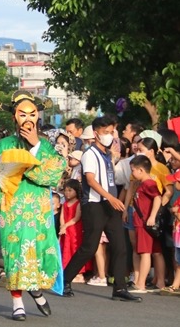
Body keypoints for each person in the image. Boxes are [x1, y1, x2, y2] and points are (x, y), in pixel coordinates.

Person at [0, 91, 65, 320]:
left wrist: (35, 144)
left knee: (36, 253)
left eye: (32, 114)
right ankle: (17, 302)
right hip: (12, 208)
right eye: (23, 114)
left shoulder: (45, 145)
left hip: (38, 209)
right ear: (14, 117)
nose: (28, 119)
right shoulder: (3, 145)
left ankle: (37, 291)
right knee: (14, 255)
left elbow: (55, 172)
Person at [61, 116, 141, 302]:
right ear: (96, 134)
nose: (110, 136)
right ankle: (64, 279)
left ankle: (119, 288)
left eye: (112, 132)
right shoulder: (90, 154)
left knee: (120, 247)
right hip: (94, 205)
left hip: (110, 205)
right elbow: (90, 180)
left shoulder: (107, 154)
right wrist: (111, 197)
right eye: (106, 132)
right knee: (89, 247)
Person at [129, 155, 164, 293]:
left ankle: (141, 284)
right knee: (154, 252)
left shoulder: (148, 183)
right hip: (143, 222)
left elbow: (157, 198)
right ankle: (158, 283)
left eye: (133, 170)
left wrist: (152, 216)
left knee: (145, 253)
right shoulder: (143, 183)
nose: (132, 173)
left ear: (141, 170)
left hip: (144, 223)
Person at [59, 180, 88, 283]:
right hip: (66, 230)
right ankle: (67, 269)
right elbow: (62, 216)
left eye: (70, 190)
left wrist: (65, 225)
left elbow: (76, 218)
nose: (67, 193)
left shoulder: (78, 203)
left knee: (74, 249)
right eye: (65, 190)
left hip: (75, 230)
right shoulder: (65, 204)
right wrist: (62, 226)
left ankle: (79, 273)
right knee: (66, 249)